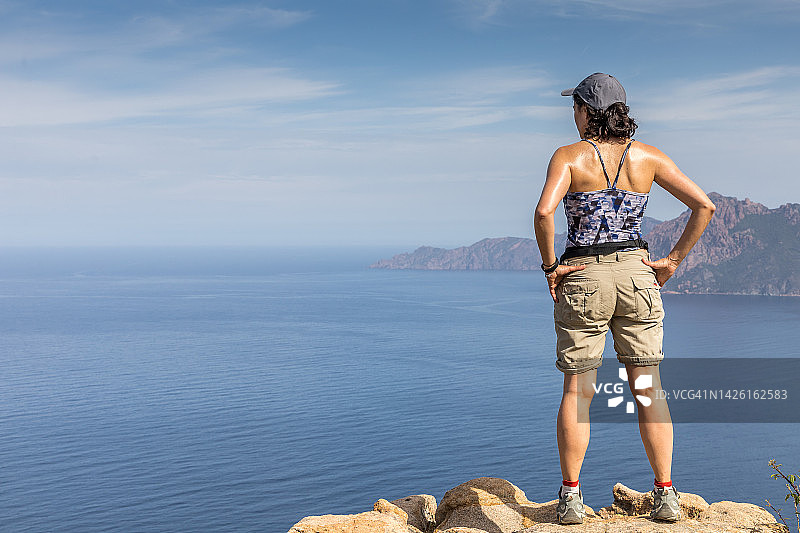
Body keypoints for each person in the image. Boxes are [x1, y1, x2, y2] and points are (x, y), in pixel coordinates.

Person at [532, 73, 716, 524]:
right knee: (648, 389)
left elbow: (544, 212)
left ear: (586, 111)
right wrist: (671, 262)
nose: (573, 116)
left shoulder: (569, 156)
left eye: (574, 107)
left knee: (578, 391)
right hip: (637, 275)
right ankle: (665, 494)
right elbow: (704, 206)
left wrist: (551, 266)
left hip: (584, 277)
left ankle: (571, 498)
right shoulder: (648, 156)